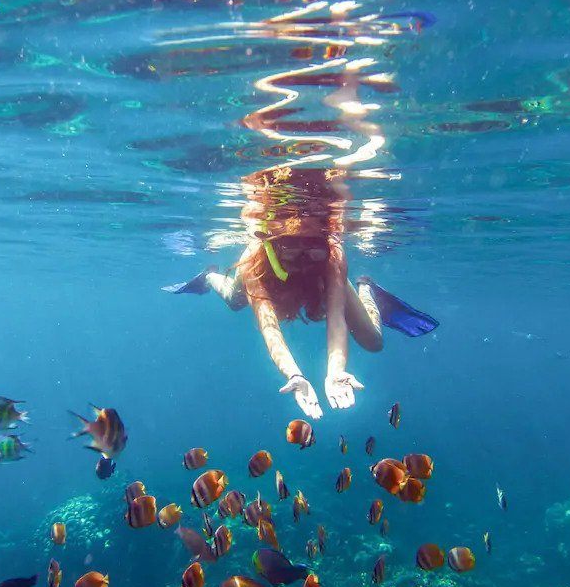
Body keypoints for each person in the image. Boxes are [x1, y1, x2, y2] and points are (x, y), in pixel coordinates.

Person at [164, 166, 438, 419]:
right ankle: (210, 276)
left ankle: (367, 289)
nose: (303, 257)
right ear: (273, 242)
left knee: (374, 342)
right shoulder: (255, 260)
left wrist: (336, 372)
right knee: (235, 301)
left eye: (313, 245)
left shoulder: (331, 257)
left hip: (320, 284)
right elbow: (268, 326)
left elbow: (336, 319)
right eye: (292, 245)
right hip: (263, 277)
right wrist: (293, 374)